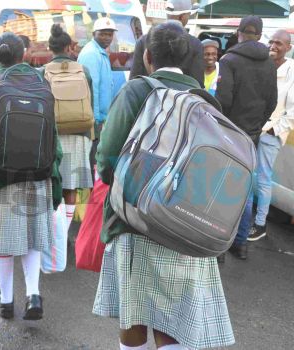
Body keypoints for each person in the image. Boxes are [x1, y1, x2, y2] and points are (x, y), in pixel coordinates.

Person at [92, 21, 235, 350]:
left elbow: (108, 159)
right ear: (187, 56)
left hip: (136, 222)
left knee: (135, 318)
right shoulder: (204, 100)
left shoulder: (137, 91)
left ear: (146, 57)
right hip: (188, 225)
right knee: (173, 322)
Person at [0, 32, 63, 321]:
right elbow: (52, 135)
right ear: (24, 56)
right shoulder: (41, 82)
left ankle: (6, 300)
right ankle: (33, 294)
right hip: (38, 173)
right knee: (31, 237)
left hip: (0, 176)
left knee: (3, 240)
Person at [215, 15, 277, 261]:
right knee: (244, 190)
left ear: (239, 33)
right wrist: (255, 128)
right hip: (252, 136)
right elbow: (271, 102)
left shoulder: (229, 60)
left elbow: (223, 101)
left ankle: (218, 246)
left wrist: (224, 129)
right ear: (260, 36)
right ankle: (240, 243)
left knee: (219, 189)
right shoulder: (270, 64)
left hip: (229, 133)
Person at [248, 29, 294, 241]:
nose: (273, 46)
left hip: (270, 133)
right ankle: (243, 220)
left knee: (263, 179)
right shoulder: (263, 63)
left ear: (288, 48)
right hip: (253, 128)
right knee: (246, 175)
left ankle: (260, 224)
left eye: (279, 44)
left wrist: (275, 130)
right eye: (271, 42)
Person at [41, 24, 94, 231]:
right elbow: (91, 104)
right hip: (80, 133)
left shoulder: (42, 72)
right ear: (69, 48)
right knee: (71, 185)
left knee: (52, 183)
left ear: (50, 48)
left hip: (52, 135)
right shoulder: (84, 71)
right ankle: (65, 232)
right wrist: (92, 135)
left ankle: (54, 228)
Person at [130, 0, 204, 87]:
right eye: (189, 15)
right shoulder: (195, 44)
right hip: (182, 99)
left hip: (147, 97)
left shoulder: (143, 41)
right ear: (182, 17)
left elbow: (134, 78)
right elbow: (198, 84)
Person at [77, 17, 117, 168]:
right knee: (92, 161)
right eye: (103, 34)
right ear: (94, 33)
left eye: (110, 34)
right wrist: (95, 119)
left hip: (100, 118)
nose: (107, 37)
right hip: (95, 119)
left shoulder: (100, 52)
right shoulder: (91, 54)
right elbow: (92, 89)